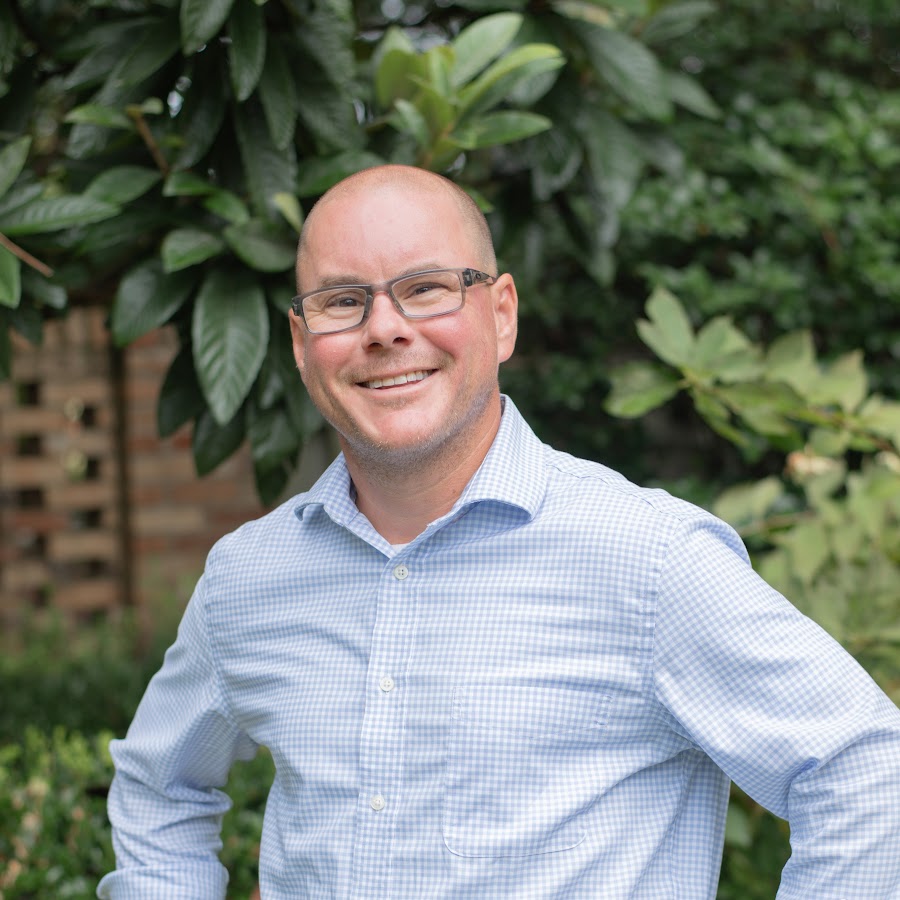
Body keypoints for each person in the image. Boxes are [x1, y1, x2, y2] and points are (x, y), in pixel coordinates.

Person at [98, 165, 900, 899]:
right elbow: (159, 785)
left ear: (502, 314)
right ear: (305, 347)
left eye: (427, 288)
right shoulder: (250, 578)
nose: (384, 328)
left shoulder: (647, 560)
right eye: (344, 301)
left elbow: (867, 770)